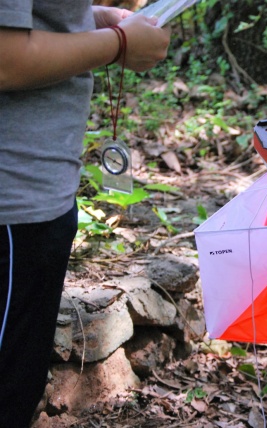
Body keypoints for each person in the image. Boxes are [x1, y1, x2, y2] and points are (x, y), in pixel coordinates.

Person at [0, 2, 170, 426]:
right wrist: (118, 43)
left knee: (19, 385)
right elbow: (6, 59)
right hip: (14, 204)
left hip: (38, 194)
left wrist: (87, 19)